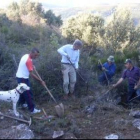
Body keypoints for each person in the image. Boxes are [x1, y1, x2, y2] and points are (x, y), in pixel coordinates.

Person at [16, 48, 46, 114]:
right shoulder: (29, 60)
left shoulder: (26, 55)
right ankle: (32, 109)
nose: (36, 57)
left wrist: (32, 65)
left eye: (37, 55)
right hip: (23, 78)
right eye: (35, 55)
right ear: (31, 53)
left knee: (22, 92)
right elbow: (32, 74)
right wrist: (40, 80)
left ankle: (21, 104)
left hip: (19, 77)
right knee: (28, 93)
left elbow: (27, 64)